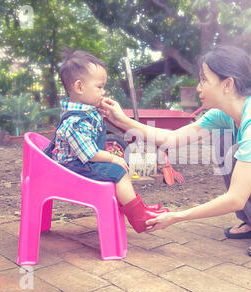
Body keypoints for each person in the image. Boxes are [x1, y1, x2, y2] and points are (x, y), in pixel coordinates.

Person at [98, 45, 251, 259]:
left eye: (204, 79)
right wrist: (122, 119)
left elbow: (237, 197)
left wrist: (176, 217)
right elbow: (171, 139)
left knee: (245, 154)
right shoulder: (226, 114)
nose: (198, 87)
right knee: (228, 144)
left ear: (228, 85)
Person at [45, 48, 168, 233]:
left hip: (80, 163)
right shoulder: (76, 121)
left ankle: (138, 208)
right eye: (99, 87)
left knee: (119, 169)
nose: (104, 91)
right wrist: (112, 158)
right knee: (117, 170)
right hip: (73, 168)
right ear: (79, 87)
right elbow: (90, 153)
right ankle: (138, 216)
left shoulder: (87, 112)